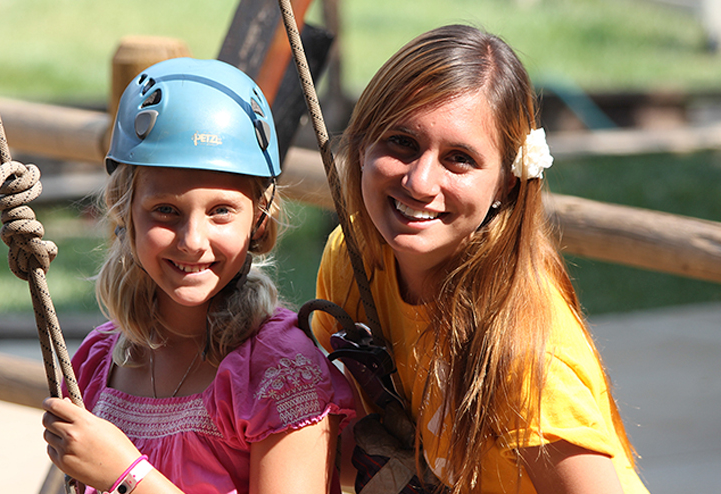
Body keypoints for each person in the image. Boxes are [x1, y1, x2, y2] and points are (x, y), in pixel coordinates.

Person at [311, 24, 649, 494]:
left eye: (460, 159)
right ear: (364, 141)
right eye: (403, 142)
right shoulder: (352, 262)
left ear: (508, 183)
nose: (420, 182)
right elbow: (352, 455)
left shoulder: (525, 355)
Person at [42, 57, 354, 494]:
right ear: (125, 215)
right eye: (165, 211)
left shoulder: (280, 373)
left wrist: (128, 477)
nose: (192, 241)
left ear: (259, 221)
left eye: (221, 212)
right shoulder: (100, 362)